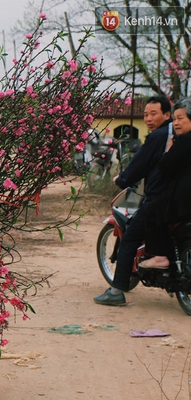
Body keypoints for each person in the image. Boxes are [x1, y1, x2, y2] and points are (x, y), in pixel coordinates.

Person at [93, 96, 172, 306]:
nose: (148, 118)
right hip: (178, 200)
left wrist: (123, 179)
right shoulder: (178, 135)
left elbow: (140, 164)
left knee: (129, 239)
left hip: (157, 199)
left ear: (167, 115)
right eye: (146, 114)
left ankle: (117, 290)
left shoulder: (158, 136)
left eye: (153, 114)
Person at [138, 97, 191, 269]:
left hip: (183, 197)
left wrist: (168, 151)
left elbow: (165, 168)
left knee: (152, 210)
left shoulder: (184, 141)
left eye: (180, 118)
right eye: (174, 119)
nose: (176, 123)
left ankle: (160, 256)